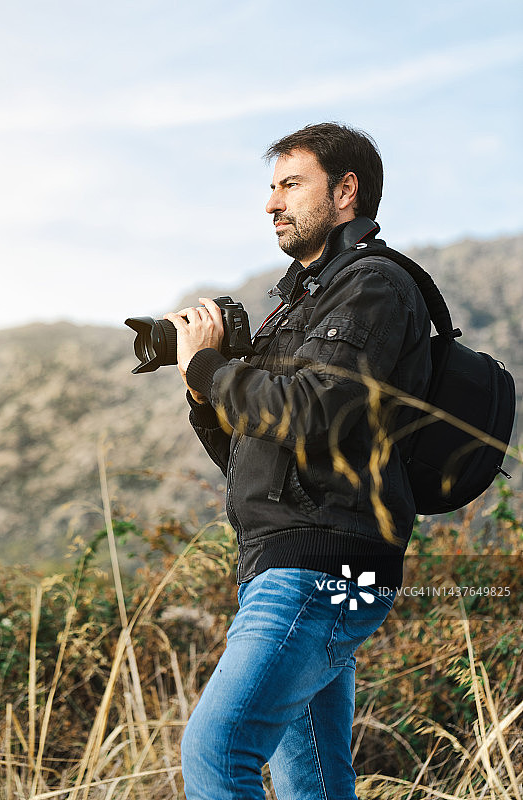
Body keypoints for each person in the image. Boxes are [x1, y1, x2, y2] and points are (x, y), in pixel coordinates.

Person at [165, 123, 432, 800]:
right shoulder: (302, 303)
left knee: (217, 750)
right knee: (311, 777)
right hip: (290, 556)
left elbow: (313, 411)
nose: (271, 203)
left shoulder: (372, 285)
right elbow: (254, 451)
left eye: (290, 184)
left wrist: (208, 367)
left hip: (315, 566)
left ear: (345, 192)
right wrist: (205, 388)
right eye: (271, 187)